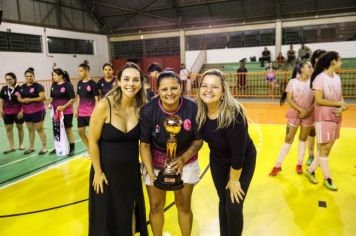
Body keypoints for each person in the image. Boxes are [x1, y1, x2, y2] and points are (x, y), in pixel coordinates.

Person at [140, 70, 203, 236]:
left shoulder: (192, 108)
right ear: (158, 91)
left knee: (183, 205)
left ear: (180, 87)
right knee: (155, 206)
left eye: (174, 88)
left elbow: (198, 140)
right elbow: (145, 145)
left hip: (186, 160)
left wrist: (182, 160)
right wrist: (151, 174)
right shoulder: (148, 110)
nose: (169, 93)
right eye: (164, 89)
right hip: (154, 162)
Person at [88, 62, 148, 235]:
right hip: (106, 174)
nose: (131, 84)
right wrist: (98, 172)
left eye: (136, 80)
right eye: (126, 79)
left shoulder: (141, 107)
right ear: (119, 82)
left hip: (130, 173)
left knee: (129, 211)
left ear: (141, 83)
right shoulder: (104, 106)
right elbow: (92, 141)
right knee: (105, 216)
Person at [196, 69, 256, 236]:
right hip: (218, 160)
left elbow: (238, 154)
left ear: (223, 92)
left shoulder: (233, 114)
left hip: (241, 160)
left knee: (234, 205)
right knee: (223, 201)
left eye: (214, 87)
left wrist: (234, 179)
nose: (208, 90)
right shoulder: (199, 111)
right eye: (204, 86)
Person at [305, 51, 348, 191]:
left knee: (326, 149)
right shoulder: (319, 78)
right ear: (333, 62)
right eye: (339, 60)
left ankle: (310, 171)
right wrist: (338, 104)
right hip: (324, 117)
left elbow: (340, 97)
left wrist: (343, 105)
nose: (341, 62)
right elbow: (319, 99)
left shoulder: (337, 77)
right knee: (325, 149)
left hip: (336, 117)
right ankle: (327, 178)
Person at [269, 61, 314, 176]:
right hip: (295, 113)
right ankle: (277, 165)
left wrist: (307, 111)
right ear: (302, 69)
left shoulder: (314, 82)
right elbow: (290, 100)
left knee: (303, 139)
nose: (311, 68)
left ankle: (299, 164)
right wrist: (301, 110)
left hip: (309, 114)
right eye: (309, 66)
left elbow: (317, 100)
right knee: (288, 138)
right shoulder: (292, 82)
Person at [17, 68, 47, 155]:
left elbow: (43, 97)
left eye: (30, 76)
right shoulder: (22, 87)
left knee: (39, 129)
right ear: (24, 77)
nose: (28, 78)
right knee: (30, 129)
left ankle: (44, 147)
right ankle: (31, 147)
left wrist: (30, 99)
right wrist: (22, 105)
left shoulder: (38, 86)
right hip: (26, 112)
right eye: (26, 76)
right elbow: (19, 98)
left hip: (38, 111)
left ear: (34, 77)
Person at [306, 49, 327, 166]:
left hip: (323, 107)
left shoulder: (328, 73)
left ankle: (319, 157)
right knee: (311, 133)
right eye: (318, 57)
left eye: (323, 57)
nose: (320, 59)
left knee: (321, 134)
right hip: (312, 106)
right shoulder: (311, 72)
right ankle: (311, 155)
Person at [49, 68, 76, 156]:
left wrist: (63, 107)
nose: (53, 77)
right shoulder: (53, 85)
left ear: (60, 75)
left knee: (68, 129)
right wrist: (50, 104)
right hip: (56, 112)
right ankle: (58, 147)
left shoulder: (68, 85)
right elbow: (52, 97)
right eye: (52, 75)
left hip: (67, 111)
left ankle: (72, 148)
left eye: (54, 75)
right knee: (57, 130)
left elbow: (72, 99)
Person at [75, 60, 99, 148]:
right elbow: (79, 97)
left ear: (87, 71)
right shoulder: (79, 83)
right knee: (80, 132)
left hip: (91, 113)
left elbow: (97, 99)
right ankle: (89, 148)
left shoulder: (93, 84)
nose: (79, 73)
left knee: (93, 134)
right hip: (81, 113)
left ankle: (95, 149)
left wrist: (96, 112)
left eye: (81, 71)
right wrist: (76, 110)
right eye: (78, 71)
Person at [0, 72, 25, 154]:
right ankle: (11, 146)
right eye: (7, 79)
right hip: (7, 113)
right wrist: (1, 109)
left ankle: (21, 144)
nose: (8, 81)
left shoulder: (20, 88)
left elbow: (23, 101)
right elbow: (2, 100)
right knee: (8, 129)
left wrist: (22, 111)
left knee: (20, 128)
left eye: (10, 79)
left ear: (14, 79)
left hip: (18, 112)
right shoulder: (4, 88)